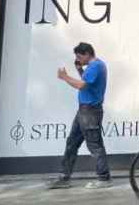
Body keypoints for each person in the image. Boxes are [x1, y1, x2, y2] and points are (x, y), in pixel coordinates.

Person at [48, 42, 111, 189]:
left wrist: (65, 77)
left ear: (87, 54)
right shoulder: (95, 66)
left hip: (90, 112)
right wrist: (79, 70)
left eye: (79, 57)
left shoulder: (95, 66)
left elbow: (81, 85)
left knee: (94, 145)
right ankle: (64, 176)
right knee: (72, 143)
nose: (78, 59)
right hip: (84, 111)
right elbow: (87, 82)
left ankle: (104, 178)